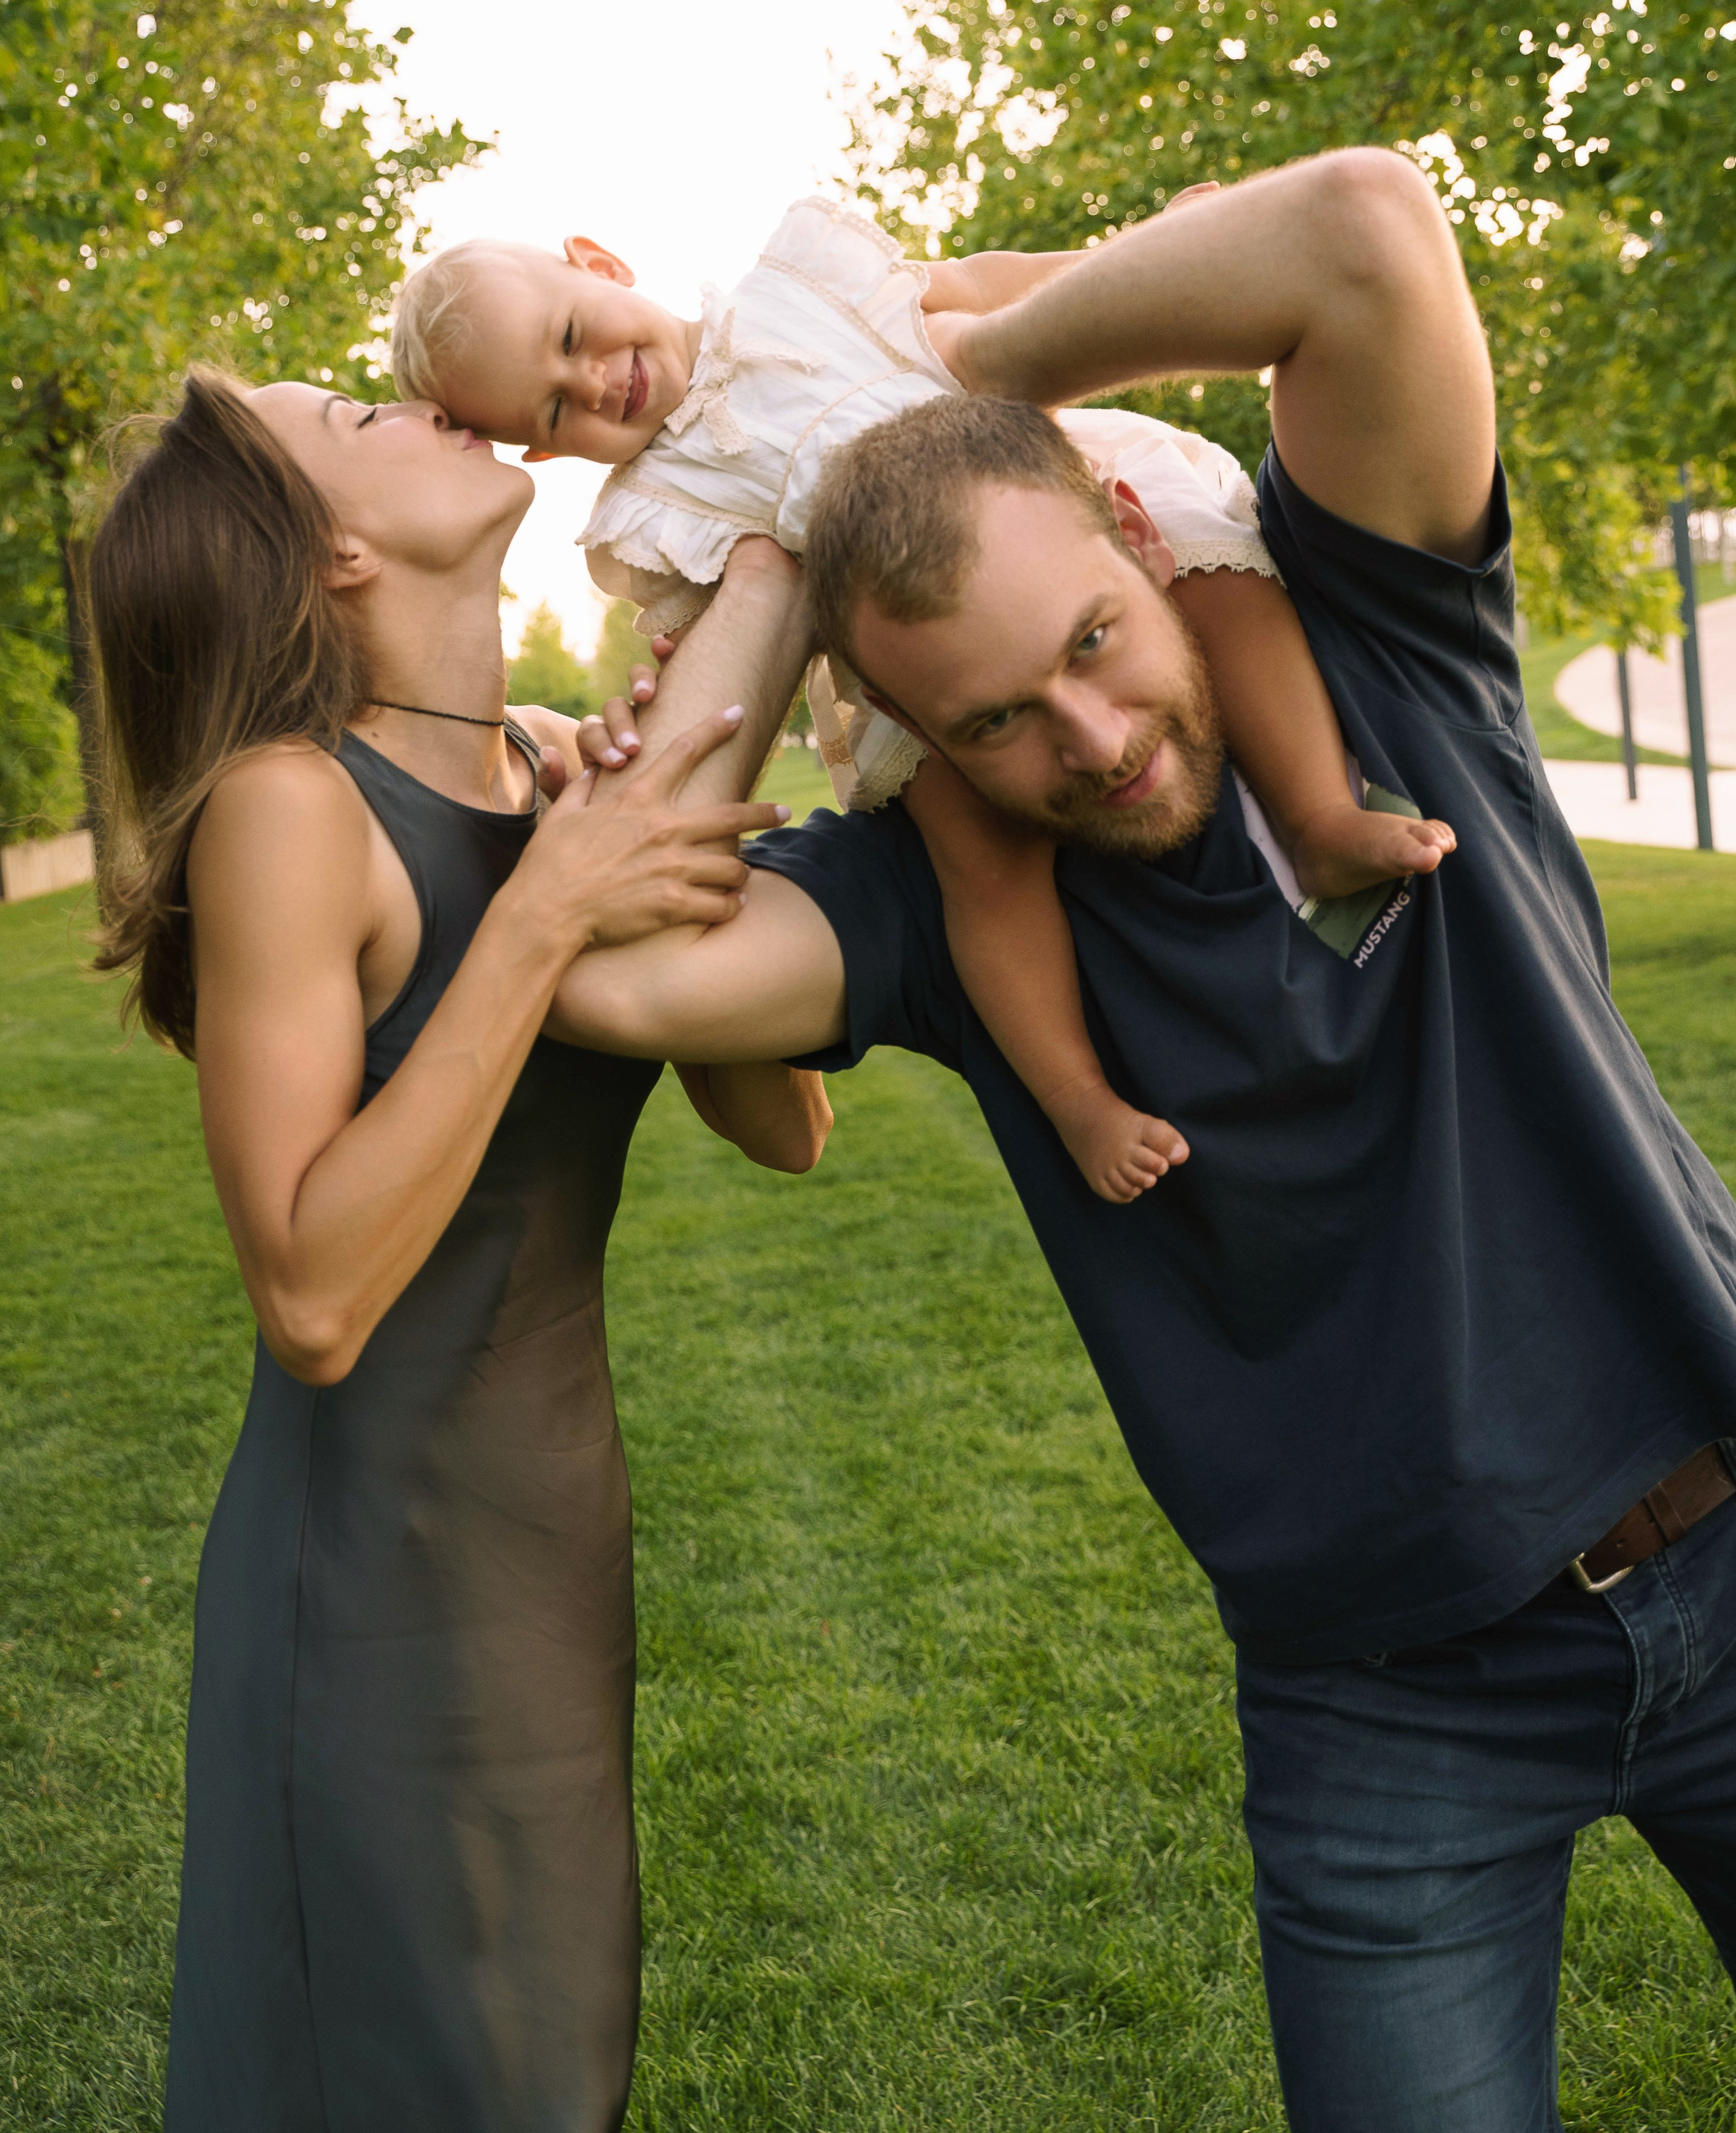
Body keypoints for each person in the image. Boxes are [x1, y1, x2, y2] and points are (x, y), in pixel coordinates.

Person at [545, 148, 1736, 2130]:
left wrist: (965, 373)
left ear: (1133, 534)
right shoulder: (933, 902)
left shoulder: (1375, 640)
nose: (1088, 743)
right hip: (1390, 1719)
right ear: (912, 740)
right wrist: (778, 550)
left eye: (1093, 642)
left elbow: (1361, 229)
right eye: (996, 721)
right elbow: (609, 977)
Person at [84, 365, 828, 2133]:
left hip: (550, 1578)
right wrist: (549, 912)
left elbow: (784, 1129)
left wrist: (646, 852)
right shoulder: (292, 806)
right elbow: (312, 1294)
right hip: (366, 1601)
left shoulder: (543, 777)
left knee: (545, 2081)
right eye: (352, 414)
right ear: (331, 548)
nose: (417, 398)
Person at [390, 198, 1451, 1202]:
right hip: (914, 684)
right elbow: (718, 666)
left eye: (576, 333)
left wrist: (1132, 255)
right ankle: (1077, 1101)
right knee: (979, 871)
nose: (595, 383)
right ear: (541, 451)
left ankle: (1320, 817)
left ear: (601, 264)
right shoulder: (657, 517)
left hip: (1057, 519)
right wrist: (659, 703)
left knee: (1216, 575)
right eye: (556, 406)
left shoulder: (796, 283)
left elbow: (991, 292)